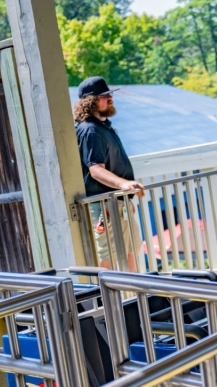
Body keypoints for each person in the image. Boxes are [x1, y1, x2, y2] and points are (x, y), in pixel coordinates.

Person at [73, 76, 144, 270]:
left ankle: (136, 297)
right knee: (107, 258)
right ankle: (108, 300)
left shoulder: (103, 127)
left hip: (116, 202)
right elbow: (95, 170)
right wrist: (123, 185)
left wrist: (125, 198)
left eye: (109, 94)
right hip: (103, 206)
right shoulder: (90, 130)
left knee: (131, 251)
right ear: (90, 100)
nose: (110, 98)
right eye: (104, 95)